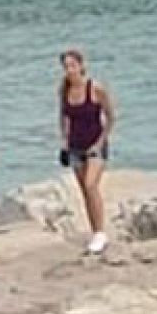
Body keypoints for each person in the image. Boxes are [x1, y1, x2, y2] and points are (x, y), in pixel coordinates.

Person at [57, 48, 116, 254]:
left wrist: (101, 142)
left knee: (91, 185)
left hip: (95, 144)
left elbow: (110, 117)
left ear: (81, 66)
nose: (70, 70)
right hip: (75, 145)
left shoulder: (95, 88)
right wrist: (64, 141)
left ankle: (101, 233)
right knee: (84, 191)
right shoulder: (64, 90)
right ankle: (95, 232)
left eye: (73, 65)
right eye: (66, 67)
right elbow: (63, 117)